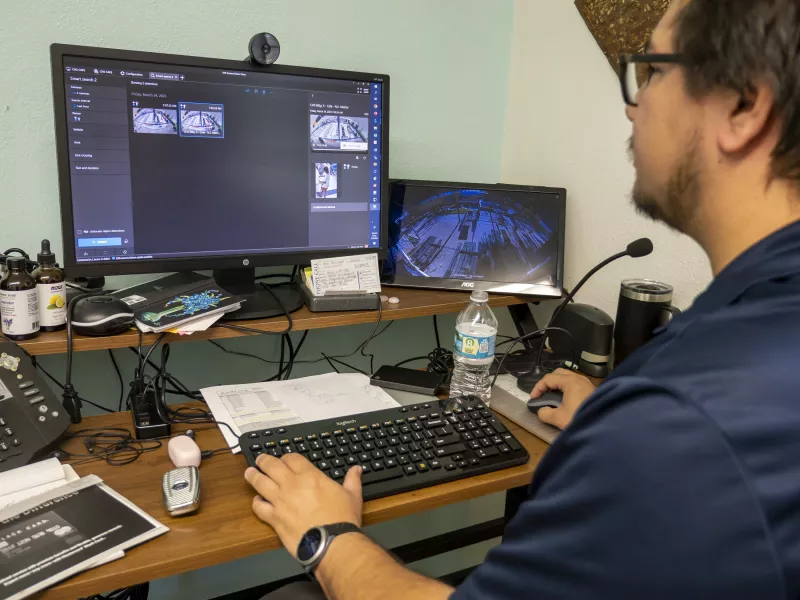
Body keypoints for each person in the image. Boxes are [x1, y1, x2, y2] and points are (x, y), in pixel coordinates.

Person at [245, 0, 800, 597]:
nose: (632, 103)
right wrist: (612, 426)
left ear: (743, 106)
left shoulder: (678, 419)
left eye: (654, 71)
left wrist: (326, 535)